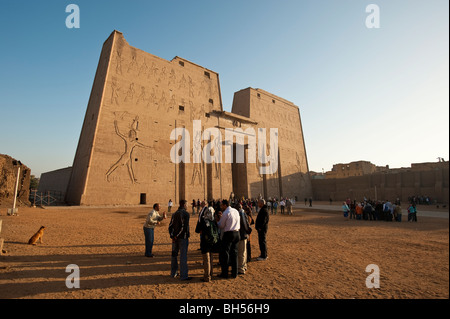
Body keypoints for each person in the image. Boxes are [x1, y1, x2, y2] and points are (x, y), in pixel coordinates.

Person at [216, 199, 240, 279]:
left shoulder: (226, 213)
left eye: (221, 205)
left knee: (225, 254)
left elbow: (221, 225)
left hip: (229, 234)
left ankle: (225, 273)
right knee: (234, 254)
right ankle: (234, 273)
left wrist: (217, 221)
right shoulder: (235, 211)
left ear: (225, 205)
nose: (221, 207)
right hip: (237, 233)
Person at [168, 199, 192, 281]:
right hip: (183, 238)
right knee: (183, 256)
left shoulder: (174, 214)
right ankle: (184, 276)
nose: (187, 206)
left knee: (174, 255)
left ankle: (173, 273)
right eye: (187, 204)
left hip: (175, 239)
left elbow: (170, 226)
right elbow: (184, 227)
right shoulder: (185, 214)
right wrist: (176, 236)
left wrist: (172, 236)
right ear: (184, 205)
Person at [198, 205, 218, 282]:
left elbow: (198, 230)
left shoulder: (204, 221)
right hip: (212, 242)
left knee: (206, 260)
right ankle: (211, 273)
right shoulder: (213, 221)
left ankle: (207, 276)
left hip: (205, 243)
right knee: (211, 258)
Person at [237, 204, 251, 275]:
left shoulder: (241, 213)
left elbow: (246, 224)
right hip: (244, 234)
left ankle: (241, 269)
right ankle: (244, 266)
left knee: (242, 252)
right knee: (243, 251)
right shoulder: (241, 213)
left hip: (242, 234)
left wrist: (248, 231)